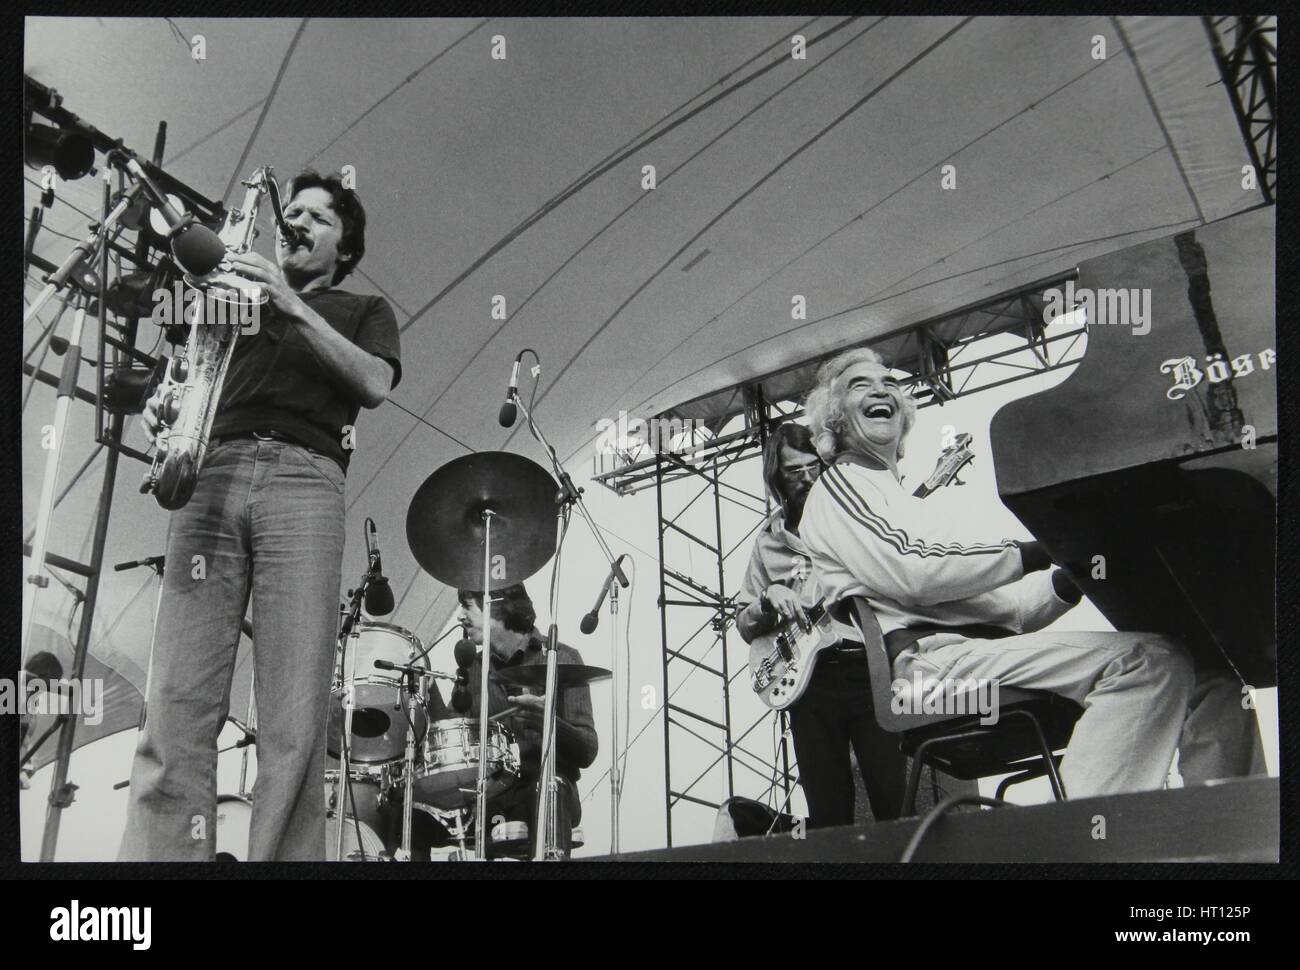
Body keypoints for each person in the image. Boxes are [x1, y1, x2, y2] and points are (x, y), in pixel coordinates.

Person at [798, 347, 1265, 799]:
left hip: (978, 655)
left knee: (1212, 678)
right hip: (929, 673)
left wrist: (1069, 572)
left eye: (890, 384)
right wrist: (1033, 551)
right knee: (1148, 661)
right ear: (836, 418)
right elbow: (913, 571)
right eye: (861, 385)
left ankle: (1230, 833)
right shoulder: (842, 484)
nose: (882, 391)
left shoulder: (897, 497)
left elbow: (1012, 614)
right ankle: (1088, 844)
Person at [120, 171, 401, 861]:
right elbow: (189, 372)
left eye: (316, 217)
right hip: (212, 470)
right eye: (292, 211)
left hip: (304, 482)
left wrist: (289, 303)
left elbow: (373, 383)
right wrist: (167, 405)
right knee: (177, 696)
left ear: (344, 247)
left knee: (293, 712)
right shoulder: (230, 299)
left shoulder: (361, 307)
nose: (296, 220)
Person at [735, 422, 909, 829]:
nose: (807, 478)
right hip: (809, 686)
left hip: (867, 671)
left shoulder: (853, 520)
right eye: (794, 471)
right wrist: (767, 599)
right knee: (829, 814)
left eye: (814, 467)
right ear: (776, 476)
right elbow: (744, 623)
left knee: (893, 804)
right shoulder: (767, 543)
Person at [427, 584, 598, 858]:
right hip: (491, 797)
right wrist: (427, 687)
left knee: (547, 790)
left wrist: (548, 722)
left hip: (546, 788)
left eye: (467, 606)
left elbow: (588, 750)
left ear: (498, 607)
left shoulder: (561, 658)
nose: (460, 616)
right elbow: (453, 736)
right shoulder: (474, 669)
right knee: (416, 814)